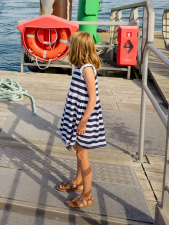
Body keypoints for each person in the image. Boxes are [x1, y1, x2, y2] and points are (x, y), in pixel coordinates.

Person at [56, 31, 106, 210]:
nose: (68, 46)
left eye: (71, 44)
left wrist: (83, 121)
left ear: (78, 48)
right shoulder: (79, 67)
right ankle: (78, 182)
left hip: (86, 120)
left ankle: (87, 194)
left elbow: (93, 98)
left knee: (82, 155)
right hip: (77, 116)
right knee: (78, 151)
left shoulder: (87, 69)